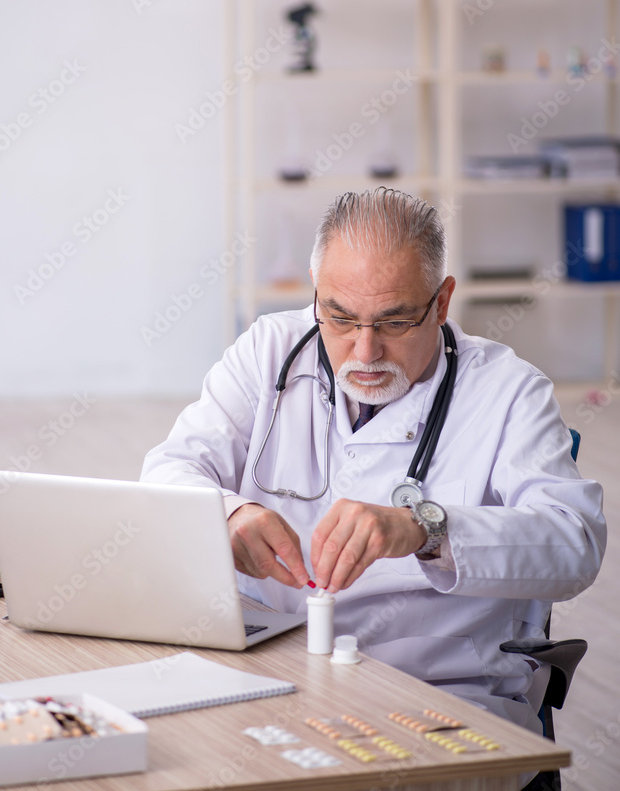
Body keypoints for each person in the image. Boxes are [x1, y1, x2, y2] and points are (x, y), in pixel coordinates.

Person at [141, 188, 606, 736]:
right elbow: (170, 471)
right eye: (339, 318)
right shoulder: (268, 351)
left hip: (435, 691)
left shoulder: (508, 391)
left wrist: (426, 528)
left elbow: (573, 542)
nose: (364, 352)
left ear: (442, 301)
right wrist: (227, 513)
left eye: (394, 323)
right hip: (263, 666)